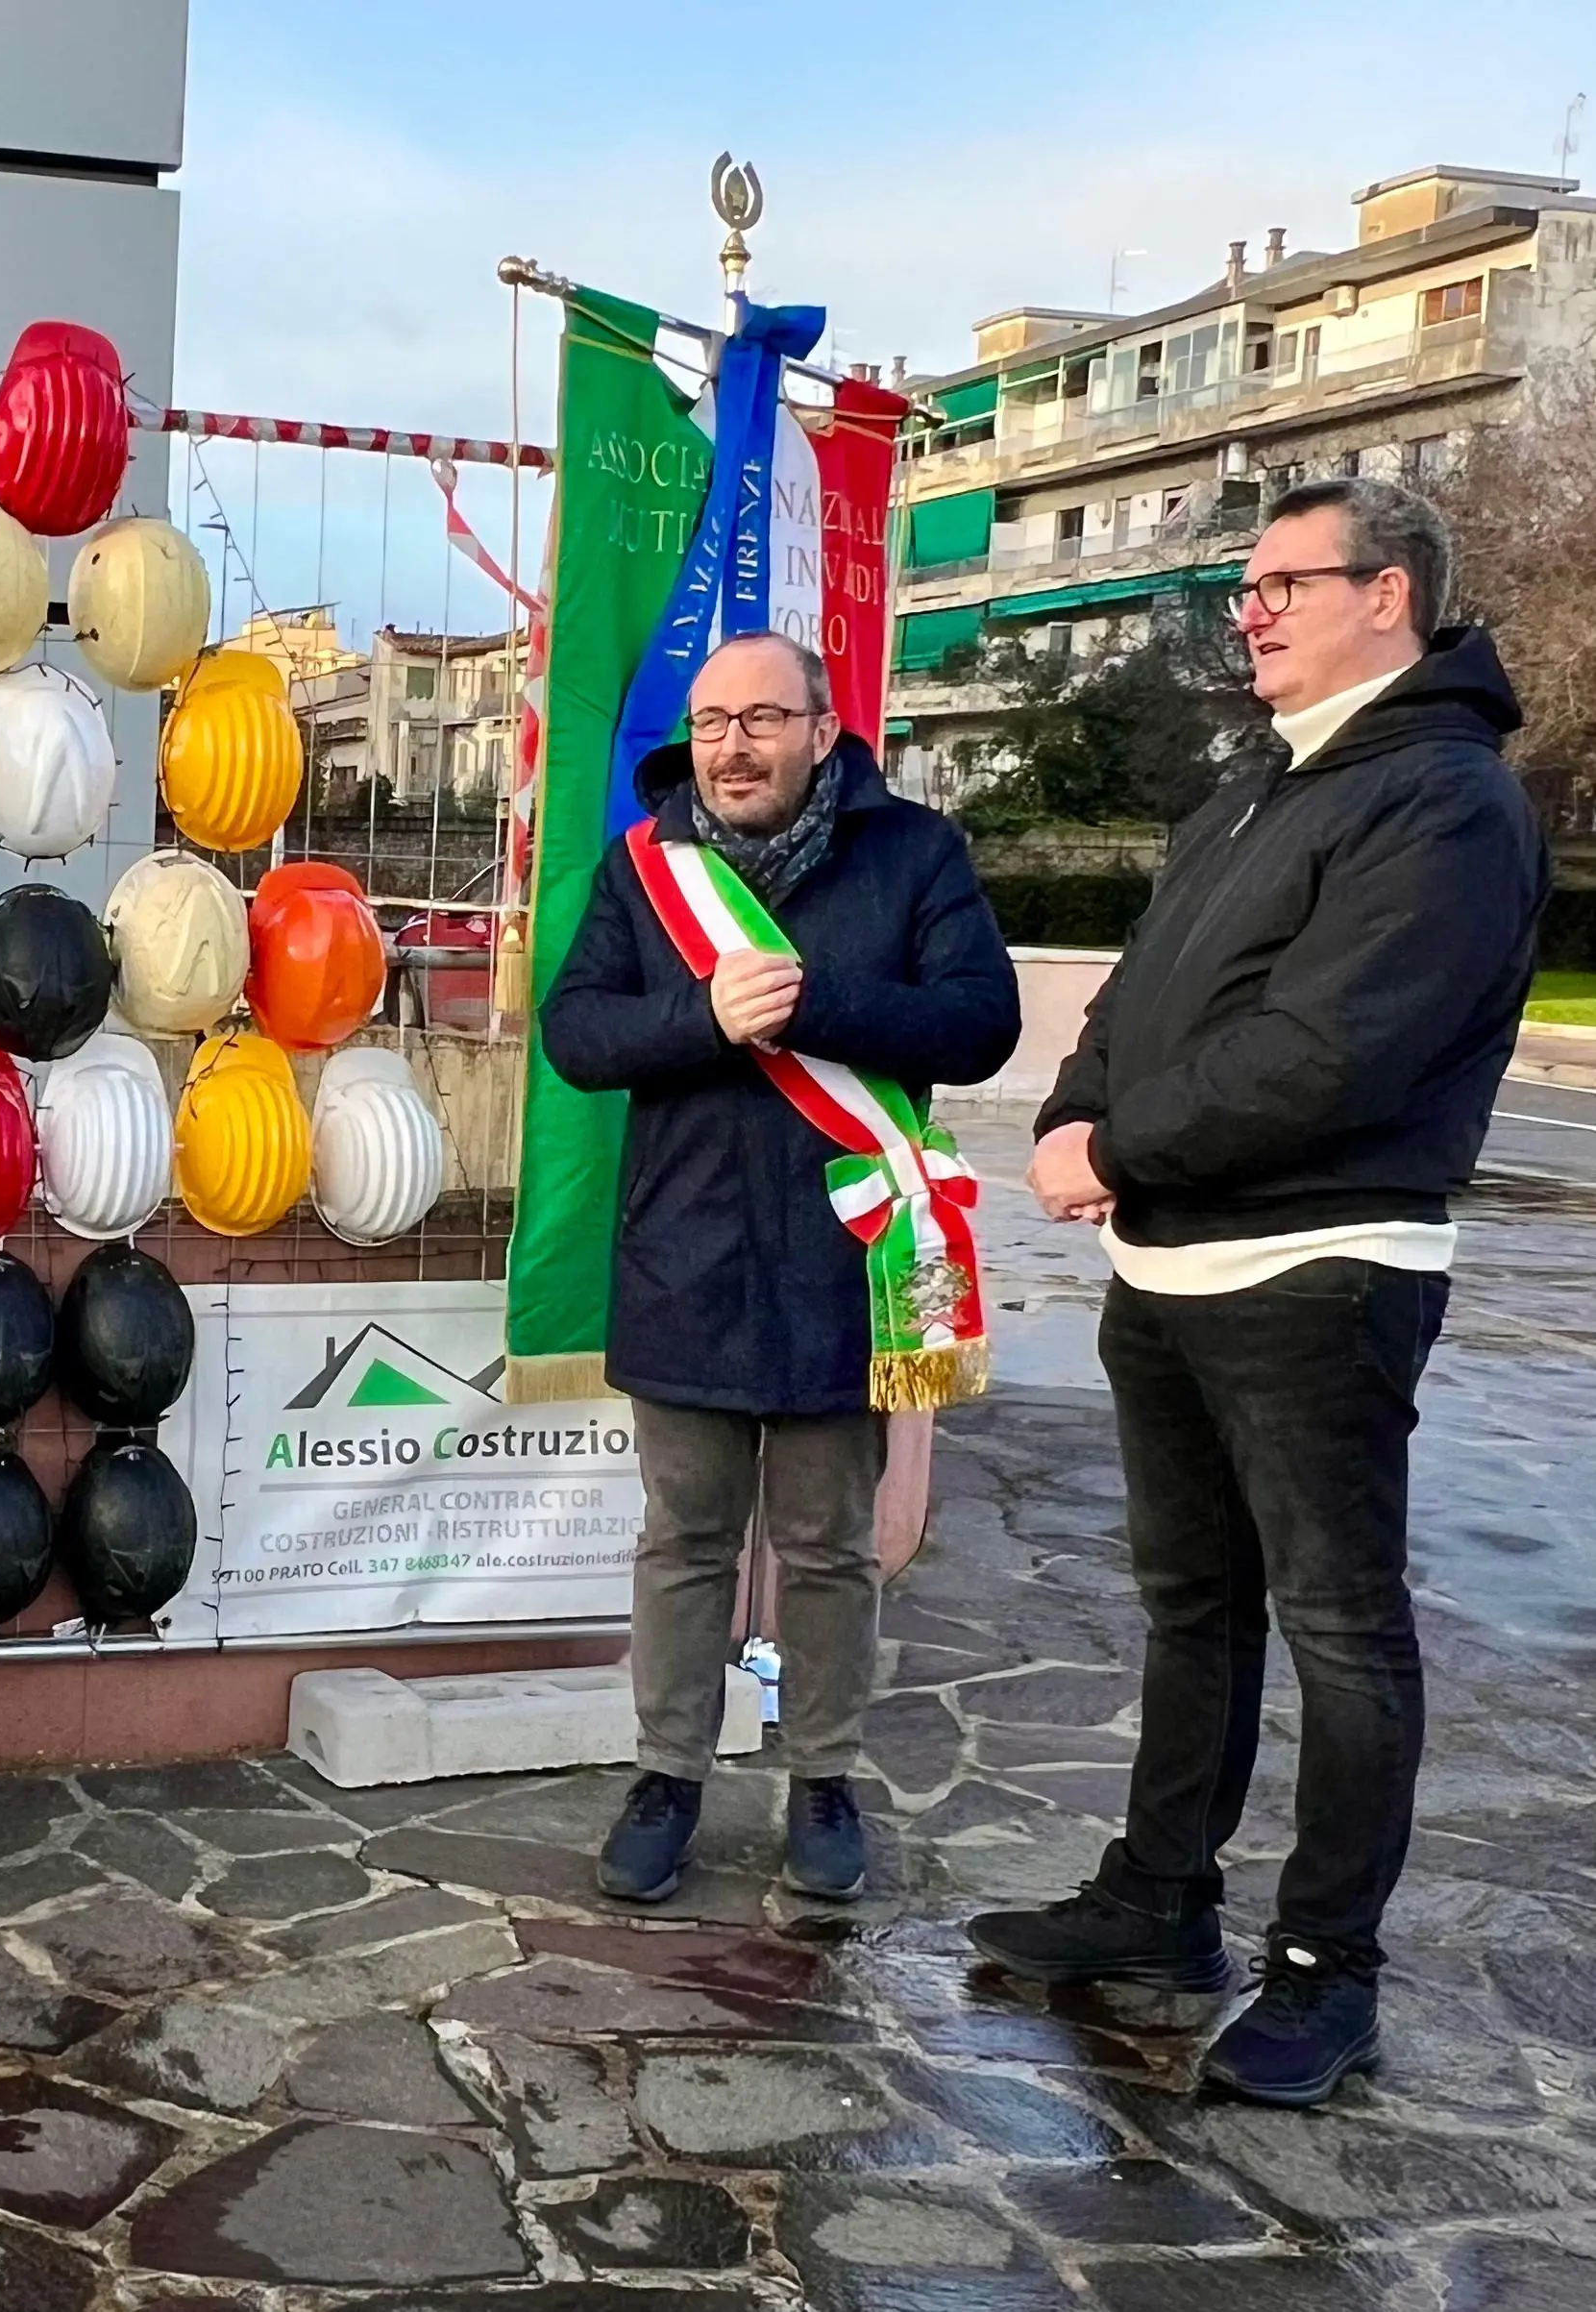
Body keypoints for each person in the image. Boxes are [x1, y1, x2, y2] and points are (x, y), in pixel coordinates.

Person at [966, 478, 1549, 2105]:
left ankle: (1328, 1969)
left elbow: (1334, 1049)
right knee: (1192, 1608)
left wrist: (1121, 1144)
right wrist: (1079, 1110)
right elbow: (1143, 991)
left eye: (1291, 580)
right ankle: (1161, 1903)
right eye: (1251, 584)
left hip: (1319, 1267)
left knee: (1344, 1628)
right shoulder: (1252, 786)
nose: (1256, 608)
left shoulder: (1444, 799)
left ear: (1395, 596)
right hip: (1169, 1262)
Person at [543, 631, 1020, 1904]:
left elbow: (982, 1022)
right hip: (684, 1254)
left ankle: (824, 1779)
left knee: (825, 1544)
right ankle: (667, 1777)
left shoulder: (916, 855)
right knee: (684, 1538)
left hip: (844, 1263)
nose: (734, 746)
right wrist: (703, 1017)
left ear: (823, 728)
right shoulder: (645, 871)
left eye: (763, 718)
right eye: (712, 723)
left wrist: (819, 1005)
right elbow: (576, 1031)